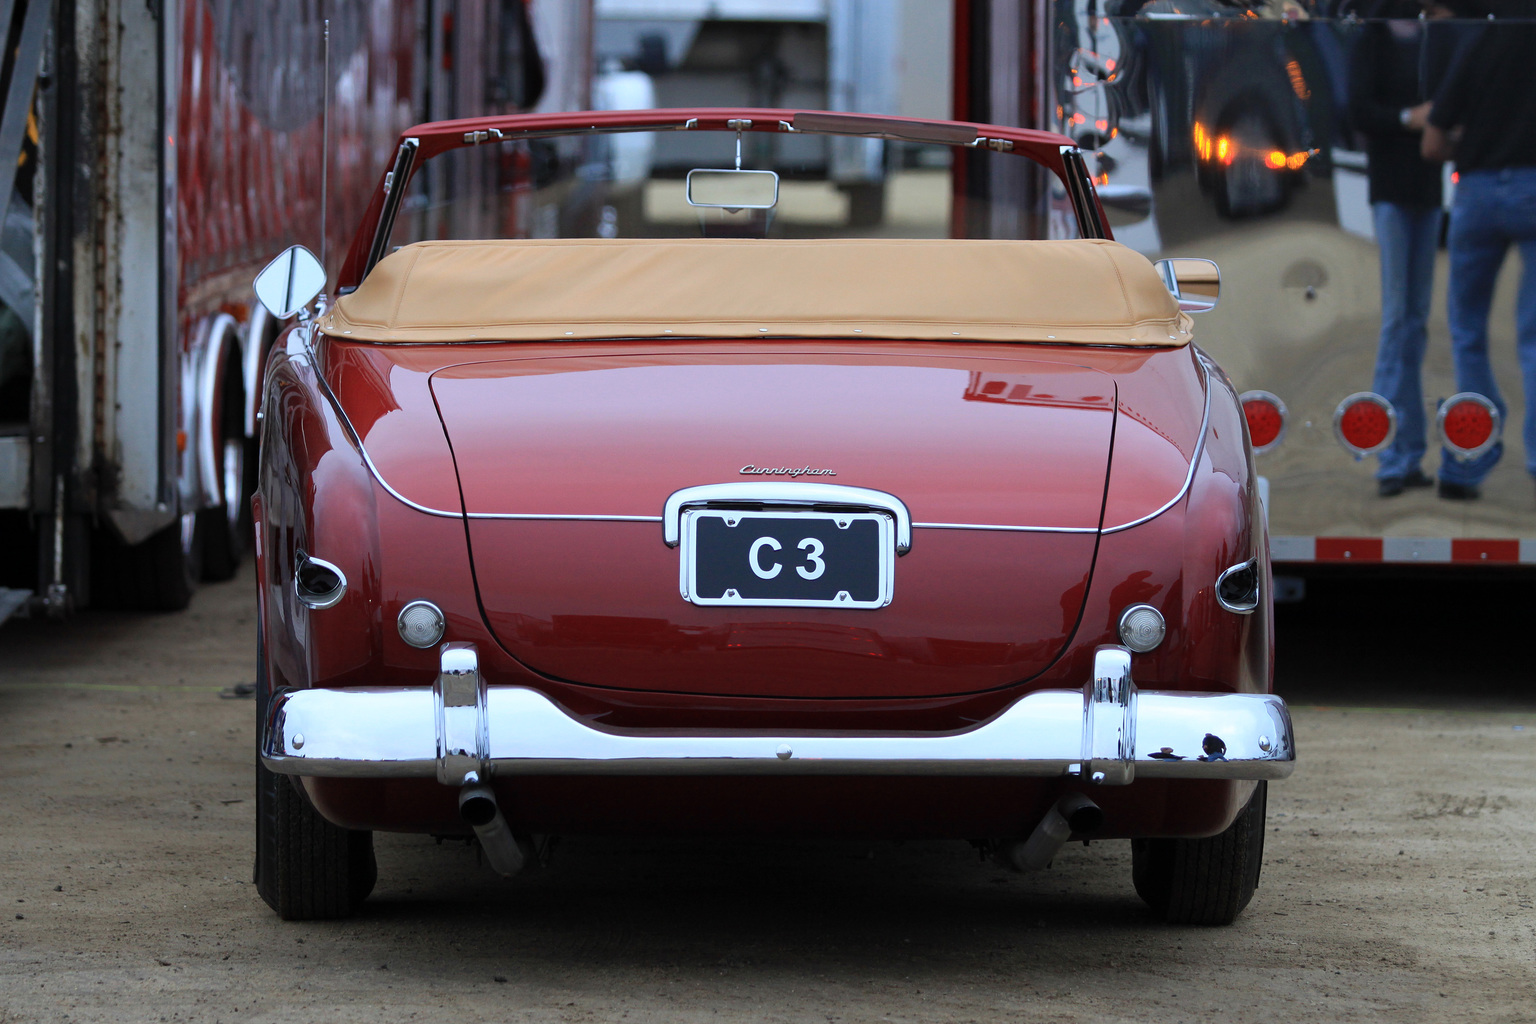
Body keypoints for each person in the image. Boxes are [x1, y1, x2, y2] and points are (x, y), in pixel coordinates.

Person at [1422, 0, 1536, 499]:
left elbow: (1431, 144)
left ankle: (1472, 456)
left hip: (1478, 194)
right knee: (1533, 337)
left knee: (1468, 331)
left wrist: (1470, 143)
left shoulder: (1481, 41)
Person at [1349, 0, 1450, 496]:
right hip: (1391, 189)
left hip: (1427, 190)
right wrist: (1413, 117)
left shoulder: (1434, 37)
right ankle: (1390, 457)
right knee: (1396, 320)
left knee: (1415, 321)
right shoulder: (1373, 36)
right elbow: (1359, 108)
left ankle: (1409, 451)